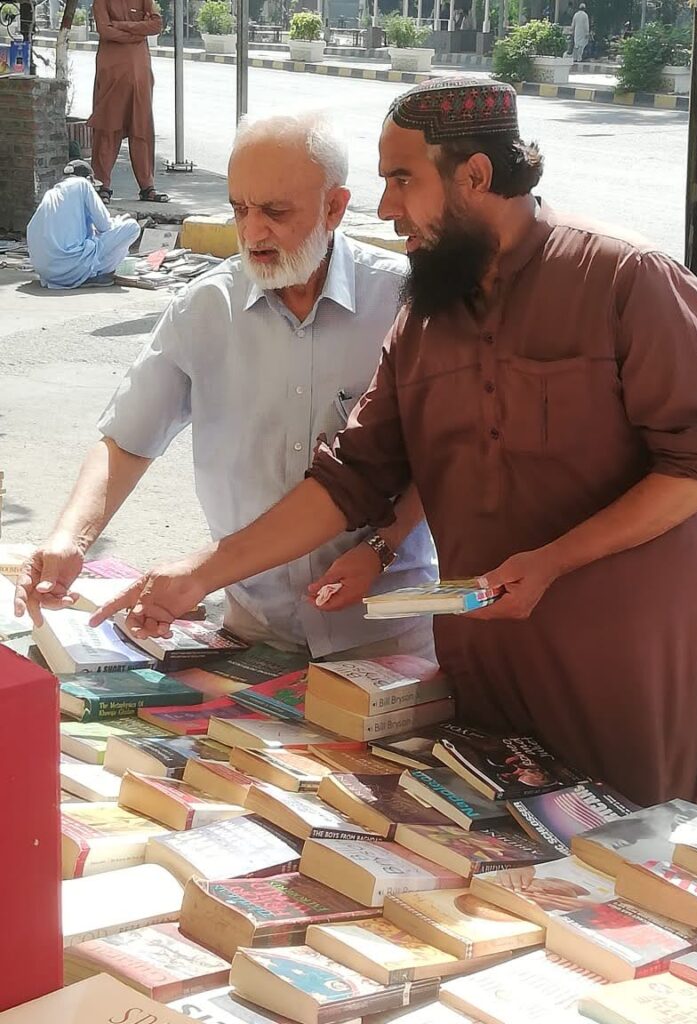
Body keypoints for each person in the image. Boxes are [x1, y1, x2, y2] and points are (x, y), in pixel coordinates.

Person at [86, 77, 697, 811]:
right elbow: (354, 476)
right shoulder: (427, 318)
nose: (386, 208)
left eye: (403, 180)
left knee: (639, 857)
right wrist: (198, 574)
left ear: (475, 176)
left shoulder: (626, 277)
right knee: (497, 858)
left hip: (625, 666)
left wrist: (554, 562)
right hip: (483, 667)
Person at [15, 111, 436, 661]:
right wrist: (70, 538)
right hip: (253, 630)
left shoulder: (402, 302)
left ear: (334, 207)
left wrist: (383, 546)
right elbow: (128, 439)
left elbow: (440, 459)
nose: (253, 232)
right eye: (239, 209)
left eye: (275, 212)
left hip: (383, 631)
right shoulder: (204, 307)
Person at [88, 0, 169, 205]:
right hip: (112, 73)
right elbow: (105, 30)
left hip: (140, 73)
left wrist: (122, 25)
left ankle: (147, 186)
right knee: (107, 127)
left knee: (142, 128)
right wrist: (138, 32)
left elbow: (156, 25)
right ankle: (101, 185)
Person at [26, 159, 140, 289]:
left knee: (93, 242)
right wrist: (118, 222)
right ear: (89, 179)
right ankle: (92, 274)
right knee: (132, 227)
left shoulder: (52, 194)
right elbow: (105, 226)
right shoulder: (83, 184)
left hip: (46, 272)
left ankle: (88, 272)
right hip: (71, 267)